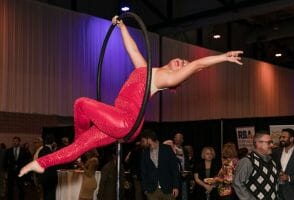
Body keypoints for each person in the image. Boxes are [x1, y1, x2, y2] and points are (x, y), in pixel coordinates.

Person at [19, 15, 243, 177]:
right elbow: (133, 50)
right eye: (181, 60)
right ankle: (41, 163)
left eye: (183, 66)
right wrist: (122, 26)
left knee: (81, 103)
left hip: (127, 121)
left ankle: (78, 140)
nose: (181, 63)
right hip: (117, 118)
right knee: (79, 145)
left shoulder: (165, 80)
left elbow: (197, 65)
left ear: (179, 75)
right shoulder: (146, 70)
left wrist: (223, 57)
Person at [233, 131, 279, 200]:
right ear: (257, 143)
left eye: (272, 142)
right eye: (269, 142)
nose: (272, 145)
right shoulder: (247, 161)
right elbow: (237, 183)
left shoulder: (271, 161)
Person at [140, 129, 180, 200]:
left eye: (143, 141)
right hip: (151, 191)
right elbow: (143, 172)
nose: (142, 143)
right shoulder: (145, 153)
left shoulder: (167, 149)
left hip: (168, 189)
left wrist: (176, 186)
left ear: (149, 139)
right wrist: (145, 189)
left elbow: (175, 169)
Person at [272, 128, 294, 200]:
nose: (281, 139)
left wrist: (289, 177)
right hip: (276, 191)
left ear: (292, 139)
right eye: (280, 137)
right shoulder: (275, 152)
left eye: (284, 137)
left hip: (292, 193)